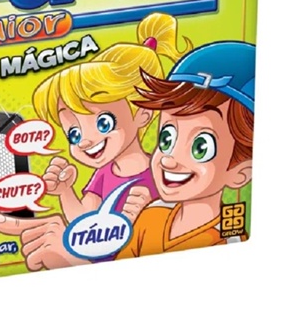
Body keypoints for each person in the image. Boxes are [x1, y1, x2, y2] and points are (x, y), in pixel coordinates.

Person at [0, 41, 254, 270]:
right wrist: (65, 193)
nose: (168, 159)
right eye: (167, 139)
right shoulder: (151, 218)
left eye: (201, 147)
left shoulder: (226, 241)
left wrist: (69, 259)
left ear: (241, 173)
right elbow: (96, 233)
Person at [33, 12, 189, 225]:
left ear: (143, 114)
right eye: (74, 134)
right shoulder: (103, 174)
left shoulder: (163, 171)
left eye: (103, 123)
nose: (84, 141)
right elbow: (84, 220)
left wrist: (153, 209)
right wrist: (65, 191)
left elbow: (183, 221)